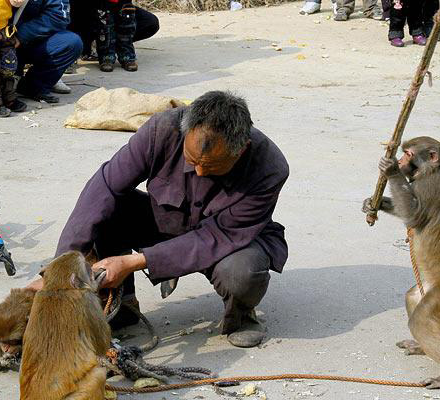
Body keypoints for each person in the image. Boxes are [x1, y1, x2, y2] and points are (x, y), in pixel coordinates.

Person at [37, 91, 289, 348]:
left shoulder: (269, 168)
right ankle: (123, 309)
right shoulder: (162, 130)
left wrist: (135, 261)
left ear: (241, 150)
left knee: (242, 272)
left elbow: (216, 238)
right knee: (106, 208)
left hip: (227, 241)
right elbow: (104, 187)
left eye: (212, 167)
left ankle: (241, 315)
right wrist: (59, 271)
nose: (200, 172)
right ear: (184, 131)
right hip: (167, 223)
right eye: (192, 161)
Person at [66, 0, 159, 73]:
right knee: (73, 13)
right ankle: (77, 49)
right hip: (83, 9)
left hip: (114, 5)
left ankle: (117, 49)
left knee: (148, 22)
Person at [96, 0, 137, 72]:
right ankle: (106, 56)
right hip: (104, 4)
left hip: (124, 3)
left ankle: (127, 55)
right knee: (106, 30)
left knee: (126, 30)